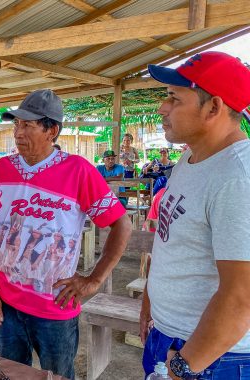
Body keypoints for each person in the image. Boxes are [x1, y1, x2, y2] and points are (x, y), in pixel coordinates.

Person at [0, 89, 132, 379]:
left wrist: (93, 280)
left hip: (54, 307)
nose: (17, 133)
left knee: (58, 376)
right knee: (11, 374)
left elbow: (122, 225)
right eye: (16, 125)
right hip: (5, 304)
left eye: (27, 125)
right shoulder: (1, 170)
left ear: (52, 130)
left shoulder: (79, 171)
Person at [141, 51, 250, 379]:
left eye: (175, 98)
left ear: (214, 107)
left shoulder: (238, 177)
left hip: (213, 358)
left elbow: (241, 297)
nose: (163, 107)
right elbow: (171, 241)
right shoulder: (190, 160)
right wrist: (151, 305)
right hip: (168, 336)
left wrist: (183, 367)